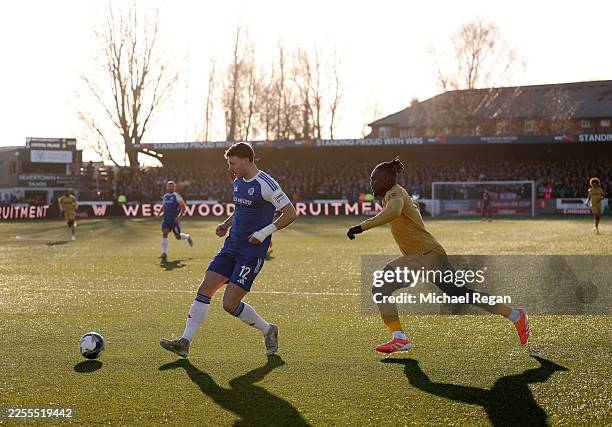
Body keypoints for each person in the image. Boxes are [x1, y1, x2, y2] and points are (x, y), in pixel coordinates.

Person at [346, 157, 530, 354]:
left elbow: (394, 211)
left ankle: (516, 315)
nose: (371, 183)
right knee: (381, 287)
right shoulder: (392, 194)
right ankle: (399, 338)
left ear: (385, 180)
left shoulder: (395, 194)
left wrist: (361, 227)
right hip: (417, 259)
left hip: (429, 256)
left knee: (460, 295)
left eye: (374, 179)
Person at [160, 142, 297, 358]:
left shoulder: (266, 184)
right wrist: (226, 224)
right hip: (230, 246)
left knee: (229, 304)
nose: (230, 167)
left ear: (246, 160)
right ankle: (184, 342)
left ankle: (268, 330)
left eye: (233, 163)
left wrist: (263, 233)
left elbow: (290, 213)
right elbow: (241, 209)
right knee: (205, 288)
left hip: (251, 253)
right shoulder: (237, 182)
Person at [157, 180, 193, 260]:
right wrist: (159, 213)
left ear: (174, 187)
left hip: (174, 220)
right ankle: (164, 253)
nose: (170, 188)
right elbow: (163, 206)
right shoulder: (165, 196)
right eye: (169, 186)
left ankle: (187, 237)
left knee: (177, 236)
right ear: (167, 187)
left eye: (172, 186)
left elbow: (183, 207)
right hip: (166, 219)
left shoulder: (177, 196)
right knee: (164, 233)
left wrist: (179, 217)